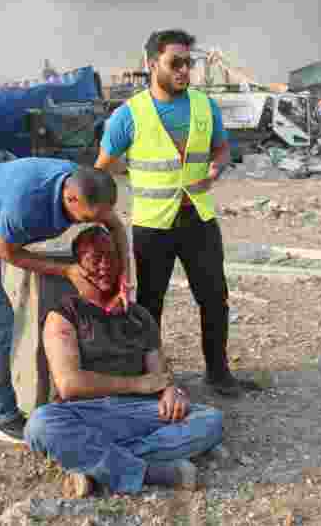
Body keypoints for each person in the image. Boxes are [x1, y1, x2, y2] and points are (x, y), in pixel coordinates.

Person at [94, 29, 260, 397]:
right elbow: (100, 169)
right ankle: (149, 379)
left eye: (190, 63)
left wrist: (217, 169)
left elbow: (221, 150)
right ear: (153, 64)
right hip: (153, 226)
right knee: (150, 304)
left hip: (199, 220)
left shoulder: (205, 106)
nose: (185, 70)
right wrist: (98, 219)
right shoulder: (128, 116)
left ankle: (218, 373)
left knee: (214, 297)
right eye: (176, 63)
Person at [0, 158, 131, 444]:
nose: (89, 223)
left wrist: (124, 278)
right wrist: (68, 270)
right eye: (85, 219)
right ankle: (2, 417)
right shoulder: (27, 203)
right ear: (70, 197)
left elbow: (117, 229)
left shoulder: (89, 186)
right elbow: (8, 253)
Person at [26, 226, 223, 497]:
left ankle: (96, 464)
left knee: (209, 419)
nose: (105, 265)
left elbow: (160, 374)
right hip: (86, 414)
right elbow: (70, 384)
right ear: (78, 267)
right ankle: (148, 471)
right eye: (95, 259)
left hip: (136, 412)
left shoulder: (140, 316)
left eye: (112, 257)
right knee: (41, 424)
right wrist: (140, 384)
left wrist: (170, 392)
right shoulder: (64, 314)